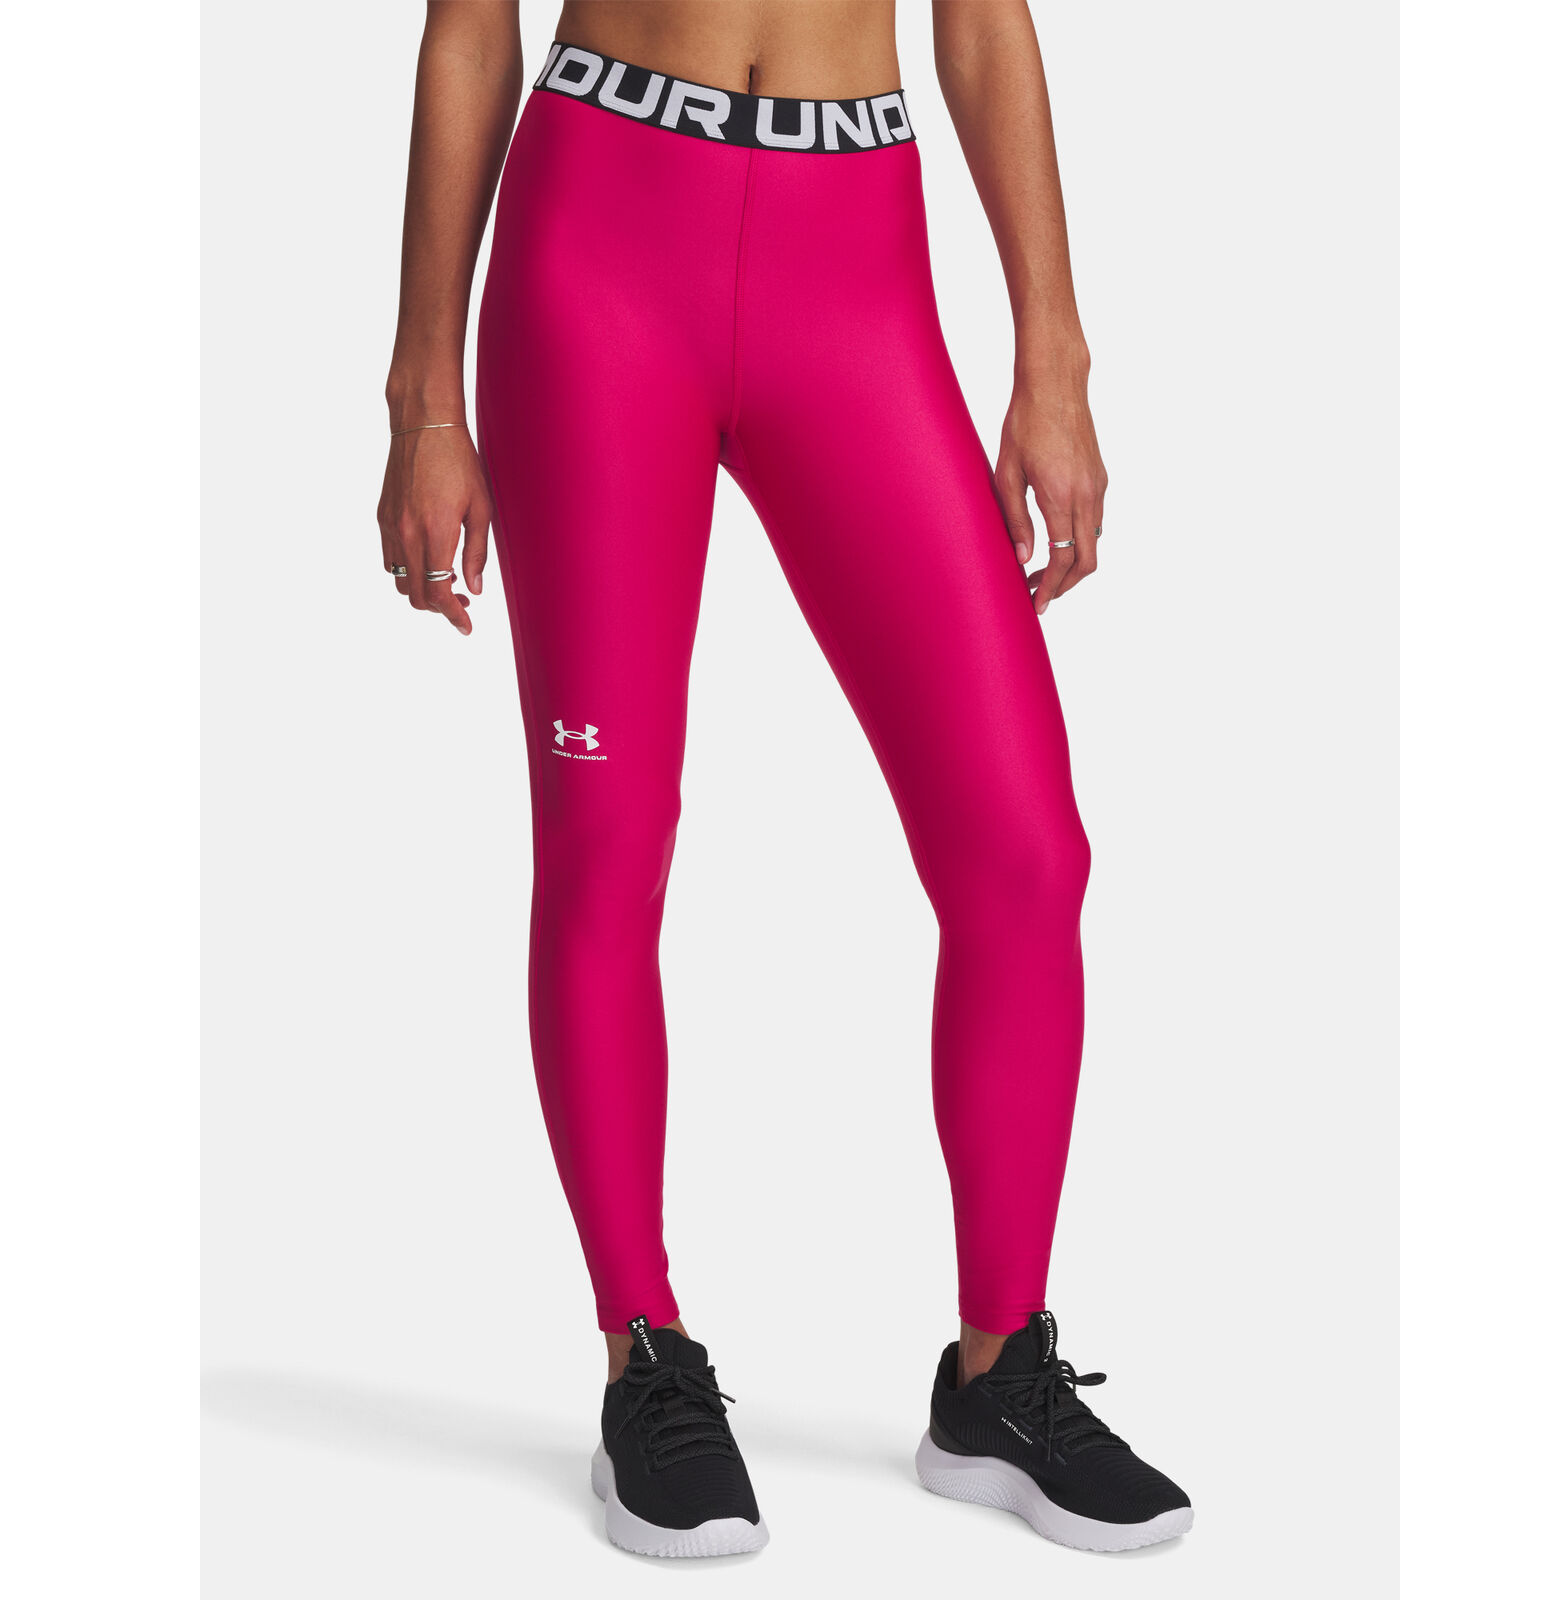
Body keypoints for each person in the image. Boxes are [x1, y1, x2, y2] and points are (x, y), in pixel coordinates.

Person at [378, 0, 1190, 1557]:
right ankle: (644, 1353)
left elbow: (983, 20)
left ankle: (1000, 1377)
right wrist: (425, 396)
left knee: (1024, 855)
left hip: (854, 261)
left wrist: (1056, 358)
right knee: (609, 840)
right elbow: (471, 29)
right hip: (603, 244)